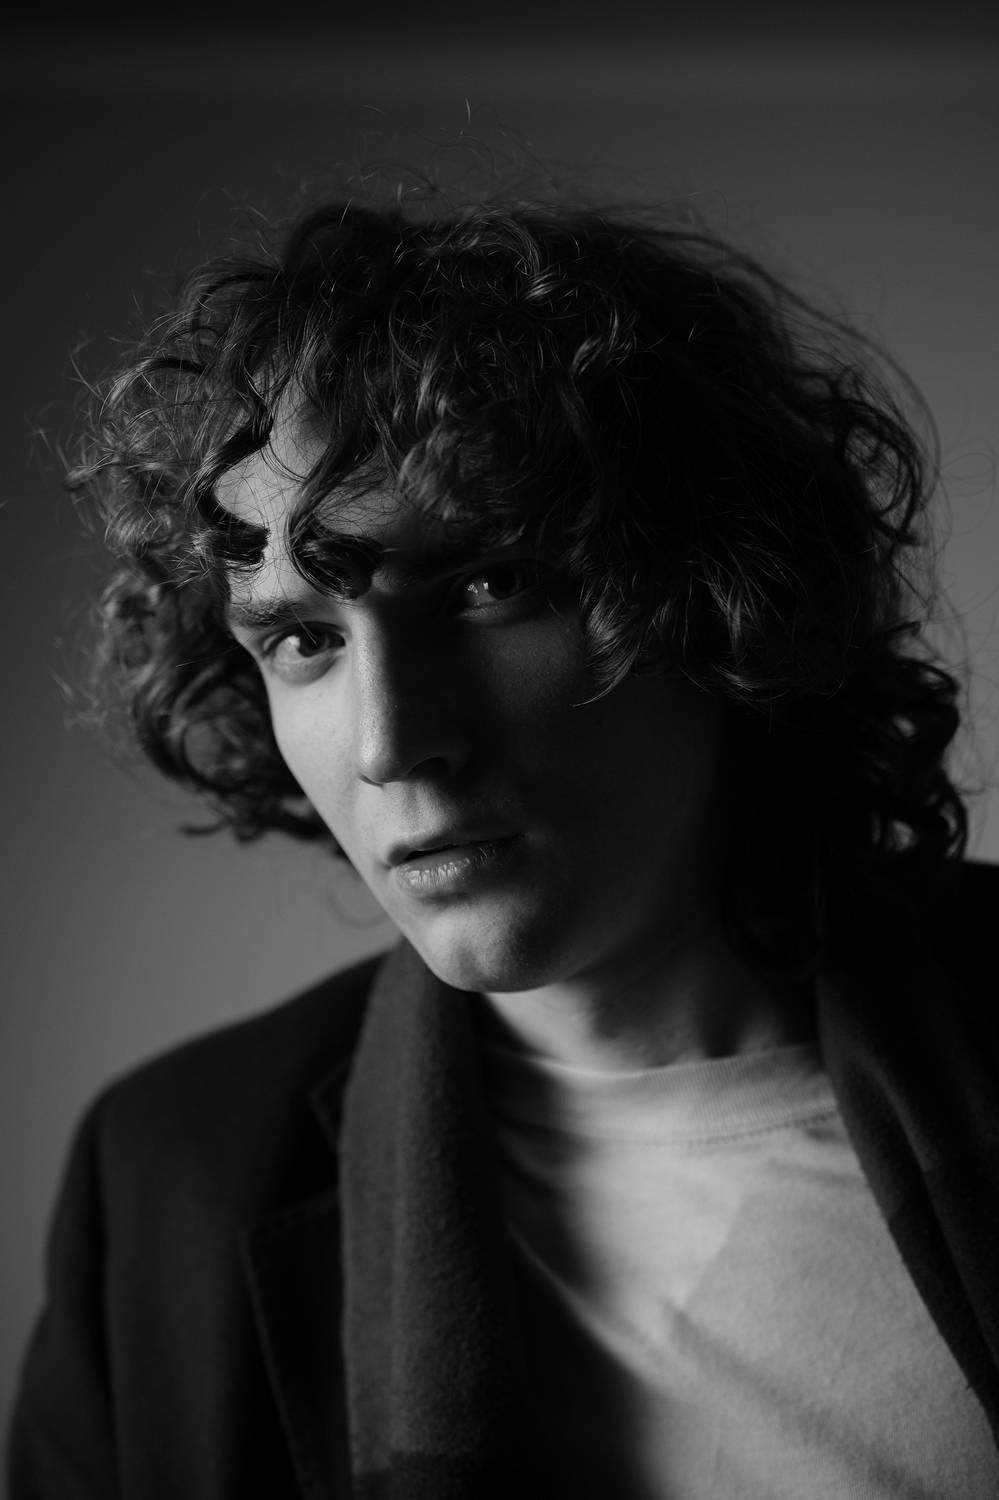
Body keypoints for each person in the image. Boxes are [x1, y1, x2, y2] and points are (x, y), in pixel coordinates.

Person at [8, 190, 999, 1500]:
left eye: (490, 586)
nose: (390, 741)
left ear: (718, 596)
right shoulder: (167, 1178)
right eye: (303, 639)